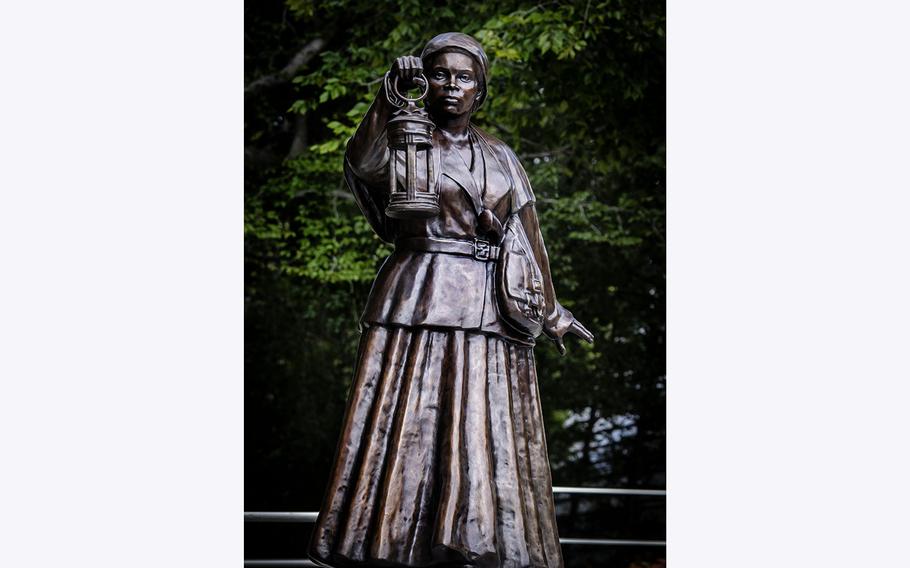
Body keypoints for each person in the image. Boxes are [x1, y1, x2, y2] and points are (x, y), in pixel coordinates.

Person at [309, 32, 593, 568]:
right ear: (425, 79)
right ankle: (396, 538)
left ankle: (480, 539)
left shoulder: (502, 156)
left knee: (485, 430)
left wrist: (552, 311)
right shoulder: (406, 135)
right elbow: (363, 165)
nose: (451, 86)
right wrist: (387, 99)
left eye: (464, 78)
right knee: (413, 425)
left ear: (480, 91)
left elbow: (528, 237)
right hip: (421, 290)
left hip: (491, 308)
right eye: (440, 74)